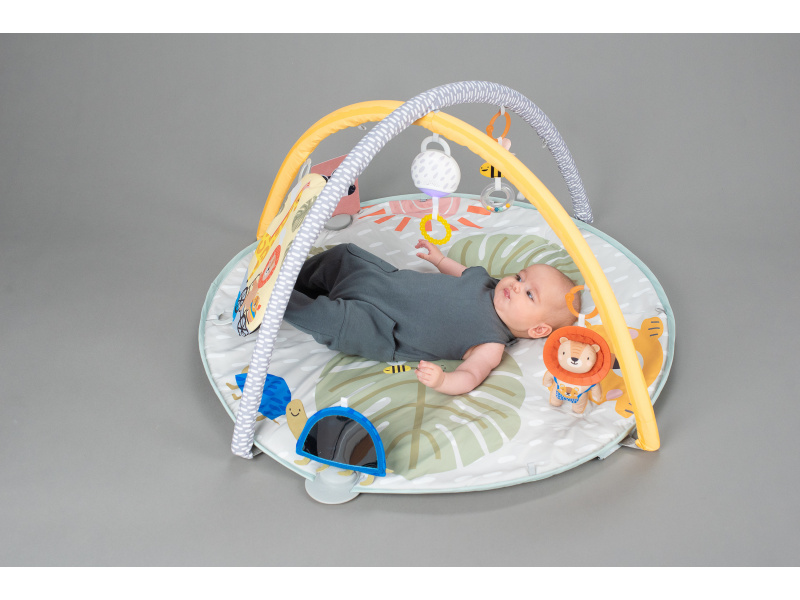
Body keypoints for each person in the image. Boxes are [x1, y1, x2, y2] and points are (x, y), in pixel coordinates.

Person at [283, 240, 579, 396]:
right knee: (344, 255)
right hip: (382, 283)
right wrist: (439, 260)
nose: (515, 285)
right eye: (520, 277)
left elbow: (470, 376)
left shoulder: (491, 343)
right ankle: (292, 276)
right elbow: (461, 273)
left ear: (538, 329)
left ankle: (278, 298)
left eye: (529, 294)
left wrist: (443, 381)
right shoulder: (487, 283)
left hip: (379, 326)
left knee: (330, 320)